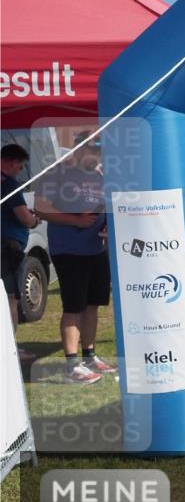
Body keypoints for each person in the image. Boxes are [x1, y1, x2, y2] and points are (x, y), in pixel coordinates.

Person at [34, 132, 115, 384]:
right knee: (73, 307)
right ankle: (72, 365)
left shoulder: (101, 177)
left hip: (96, 249)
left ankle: (89, 356)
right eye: (91, 152)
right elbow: (41, 208)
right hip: (69, 250)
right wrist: (75, 220)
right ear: (78, 150)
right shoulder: (57, 174)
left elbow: (106, 206)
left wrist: (107, 227)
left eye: (99, 153)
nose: (96, 157)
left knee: (93, 305)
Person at [1, 144, 41, 363]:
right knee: (10, 299)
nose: (20, 171)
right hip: (6, 249)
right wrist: (35, 220)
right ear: (10, 162)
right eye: (20, 166)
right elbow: (24, 217)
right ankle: (10, 349)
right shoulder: (9, 185)